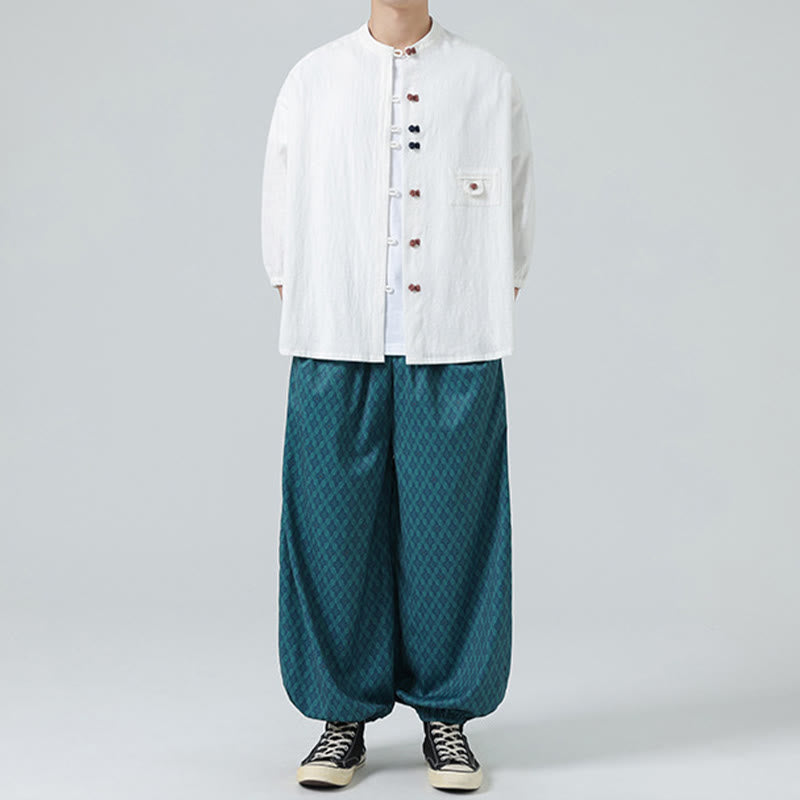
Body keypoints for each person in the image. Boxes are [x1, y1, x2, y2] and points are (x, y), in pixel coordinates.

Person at [260, 1, 535, 791]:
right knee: (329, 529)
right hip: (333, 337)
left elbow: (515, 209)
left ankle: (447, 718)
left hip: (452, 339)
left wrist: (476, 297)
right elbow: (280, 207)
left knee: (454, 530)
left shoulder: (485, 79)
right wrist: (311, 297)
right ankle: (339, 718)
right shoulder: (314, 78)